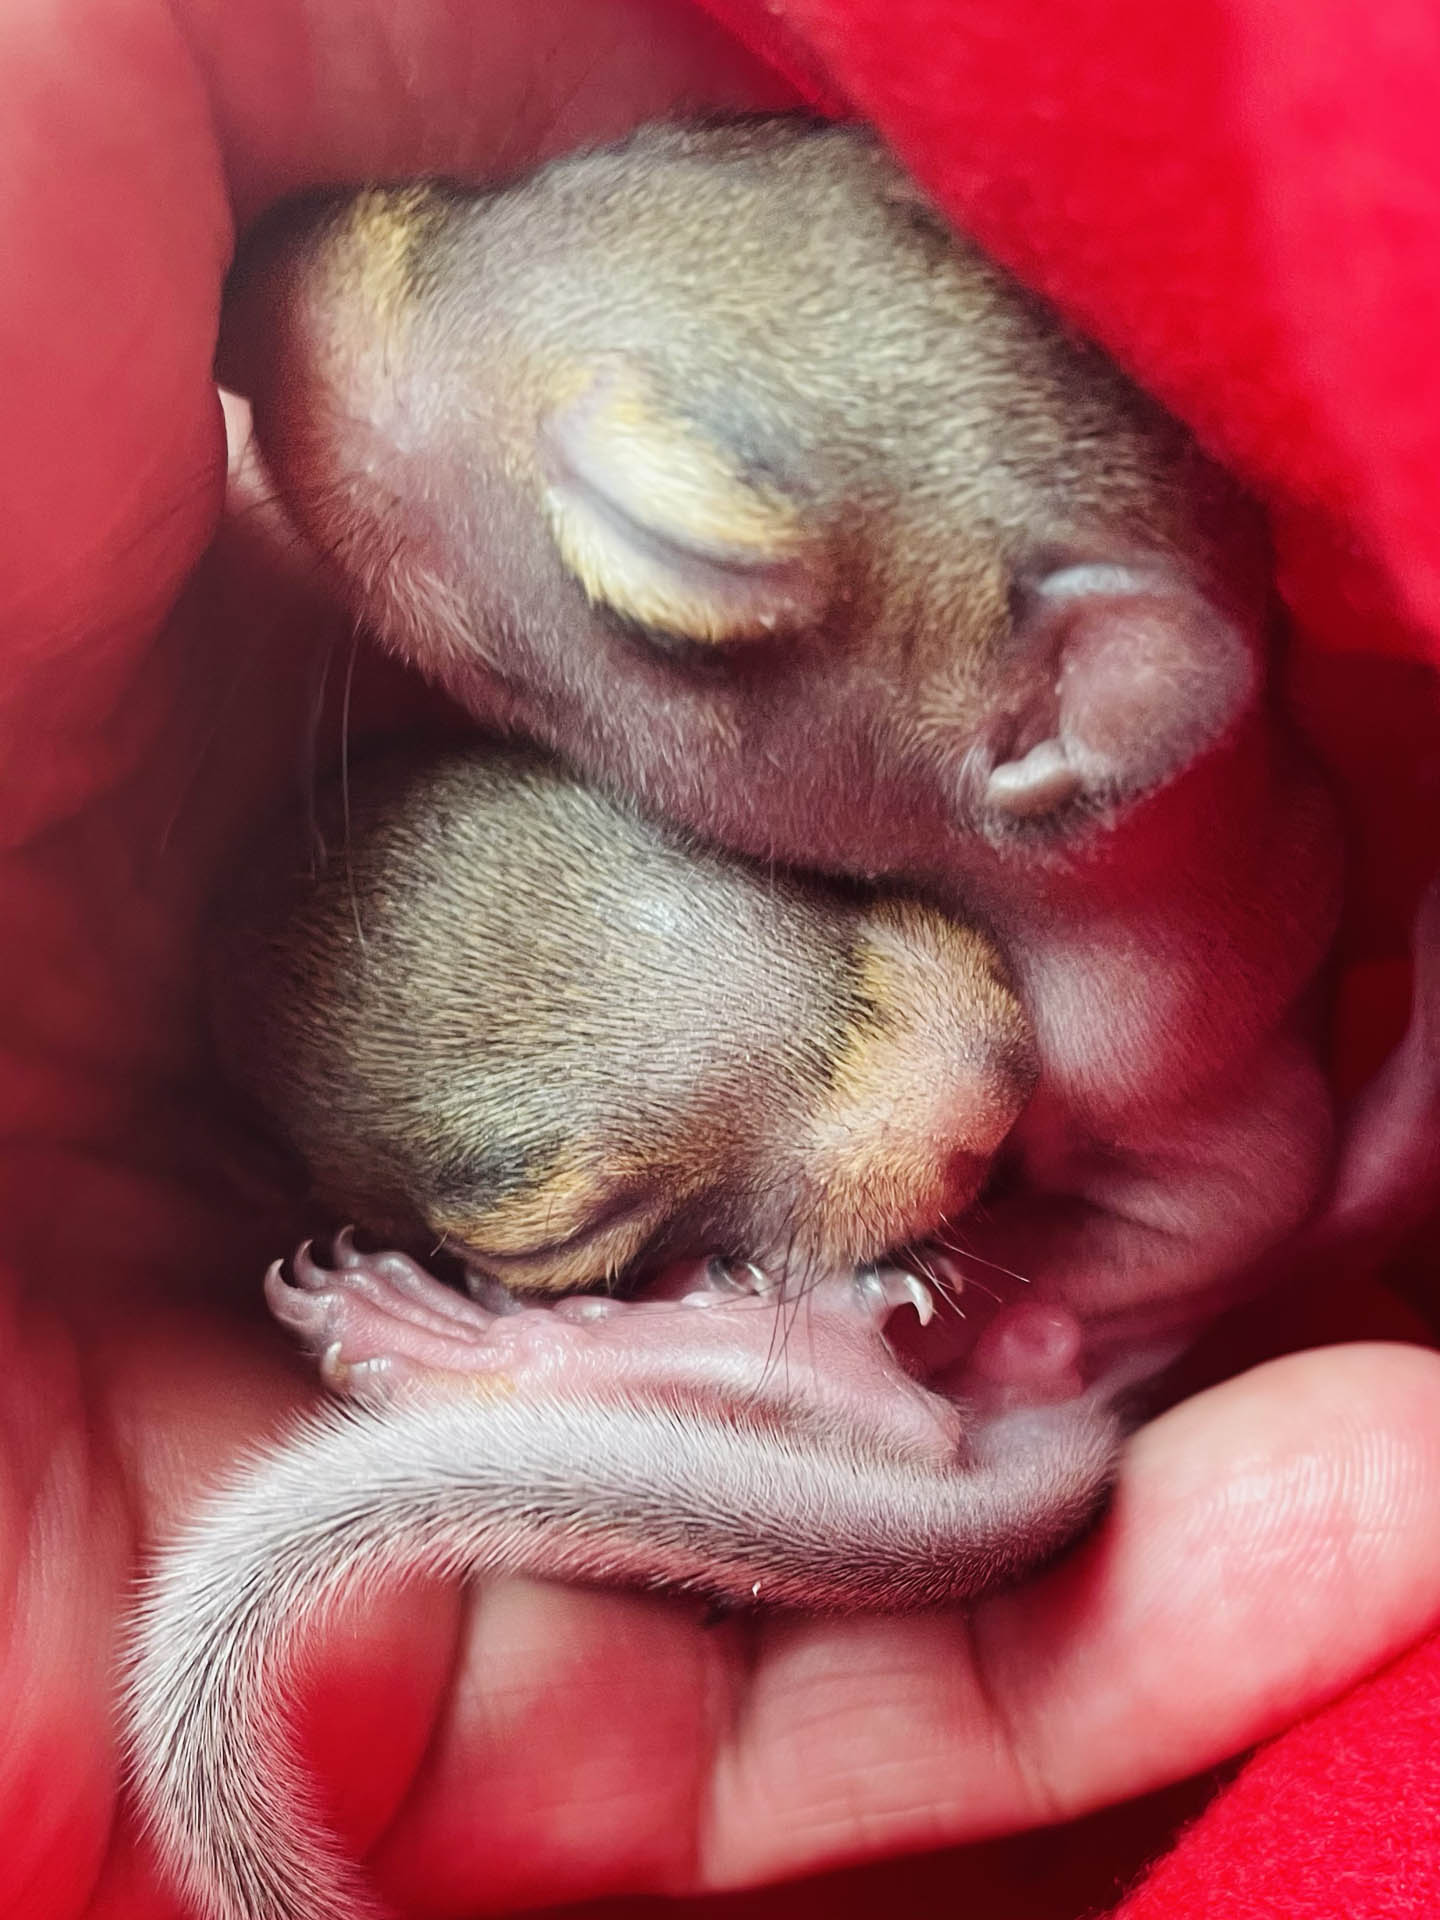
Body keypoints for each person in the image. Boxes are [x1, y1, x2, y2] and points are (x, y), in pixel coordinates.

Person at [4, 2, 1439, 1914]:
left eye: (654, 554)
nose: (298, 322)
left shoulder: (1130, 1006)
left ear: (1046, 720)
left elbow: (1229, 1198)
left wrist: (1042, 1322)